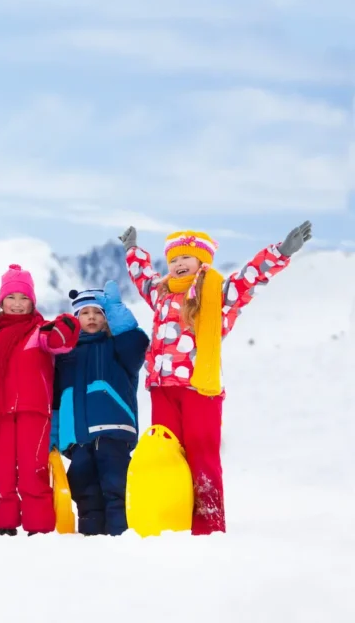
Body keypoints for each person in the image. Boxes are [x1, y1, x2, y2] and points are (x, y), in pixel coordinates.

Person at [119, 222, 312, 535]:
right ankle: (172, 519)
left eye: (186, 259)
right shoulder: (162, 292)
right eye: (173, 260)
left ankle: (208, 525)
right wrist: (132, 251)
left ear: (201, 263)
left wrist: (281, 252)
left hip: (200, 389)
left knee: (202, 456)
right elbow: (142, 277)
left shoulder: (218, 293)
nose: (179, 265)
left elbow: (251, 276)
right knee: (166, 455)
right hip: (162, 389)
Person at [0, 264, 80, 535]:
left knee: (32, 472)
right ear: (1, 300)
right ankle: (4, 527)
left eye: (23, 298)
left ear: (32, 301)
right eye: (11, 298)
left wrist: (67, 325)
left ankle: (39, 529)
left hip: (33, 412)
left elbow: (60, 342)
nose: (17, 304)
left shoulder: (40, 330)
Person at [51, 281, 149, 535]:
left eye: (98, 313)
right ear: (76, 318)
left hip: (113, 432)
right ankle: (91, 541)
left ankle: (120, 537)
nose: (91, 317)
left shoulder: (118, 348)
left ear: (107, 319)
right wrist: (55, 434)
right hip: (78, 439)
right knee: (85, 492)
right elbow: (56, 399)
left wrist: (115, 308)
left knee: (116, 488)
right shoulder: (64, 355)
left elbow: (136, 342)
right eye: (85, 313)